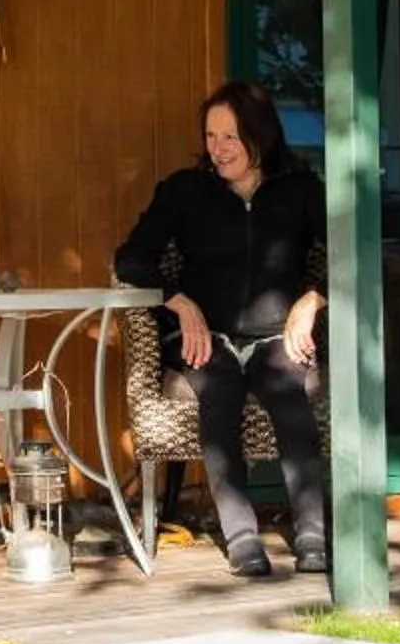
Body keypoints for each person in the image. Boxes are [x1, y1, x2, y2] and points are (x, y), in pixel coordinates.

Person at [113, 80, 330, 577]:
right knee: (219, 387)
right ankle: (242, 537)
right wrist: (178, 300)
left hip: (276, 332)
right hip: (203, 332)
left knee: (289, 389)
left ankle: (313, 536)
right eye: (211, 136)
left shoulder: (300, 192)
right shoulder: (185, 191)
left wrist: (311, 299)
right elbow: (131, 258)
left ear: (260, 138)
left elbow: (346, 252)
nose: (218, 148)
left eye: (231, 136)